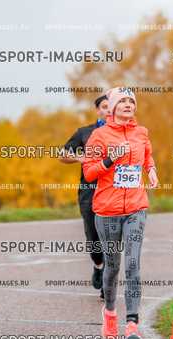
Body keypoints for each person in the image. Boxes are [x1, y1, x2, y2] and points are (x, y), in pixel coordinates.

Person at [83, 87, 159, 339]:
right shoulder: (99, 136)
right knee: (113, 266)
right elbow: (89, 173)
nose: (128, 105)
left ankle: (132, 324)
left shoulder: (141, 132)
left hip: (136, 208)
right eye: (123, 101)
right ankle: (110, 313)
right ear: (113, 107)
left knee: (133, 264)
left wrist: (151, 170)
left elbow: (147, 154)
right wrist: (110, 160)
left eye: (131, 101)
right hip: (107, 210)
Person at [60, 94, 109, 299]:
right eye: (104, 106)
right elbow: (63, 155)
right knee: (93, 238)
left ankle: (108, 283)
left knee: (111, 237)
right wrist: (81, 157)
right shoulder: (84, 133)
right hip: (90, 190)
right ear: (97, 110)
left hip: (113, 191)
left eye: (111, 106)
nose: (108, 110)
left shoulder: (122, 132)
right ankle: (98, 265)